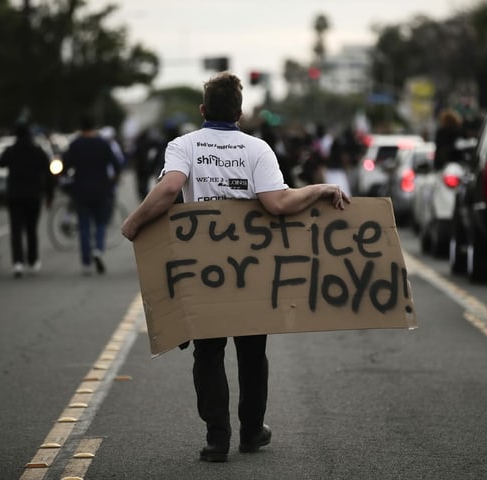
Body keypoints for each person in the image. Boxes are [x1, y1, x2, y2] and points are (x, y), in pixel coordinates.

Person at [121, 72, 350, 463]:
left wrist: (133, 223)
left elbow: (169, 189)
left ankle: (216, 439)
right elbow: (278, 203)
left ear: (203, 110)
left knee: (207, 353)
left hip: (202, 268)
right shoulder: (257, 149)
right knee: (251, 352)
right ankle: (250, 432)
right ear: (240, 113)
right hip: (251, 268)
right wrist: (321, 189)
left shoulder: (184, 146)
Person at [62, 116, 121, 275]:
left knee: (84, 225)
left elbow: (64, 166)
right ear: (94, 127)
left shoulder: (75, 145)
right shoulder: (103, 144)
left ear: (81, 128)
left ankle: (86, 261)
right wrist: (112, 182)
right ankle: (98, 250)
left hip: (80, 190)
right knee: (101, 222)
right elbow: (116, 165)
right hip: (102, 189)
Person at [0, 122, 55, 277]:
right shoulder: (37, 151)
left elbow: (0, 163)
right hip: (33, 196)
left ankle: (18, 262)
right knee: (31, 229)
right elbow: (49, 174)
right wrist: (50, 195)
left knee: (16, 230)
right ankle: (33, 259)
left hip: (14, 196)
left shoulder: (11, 151)